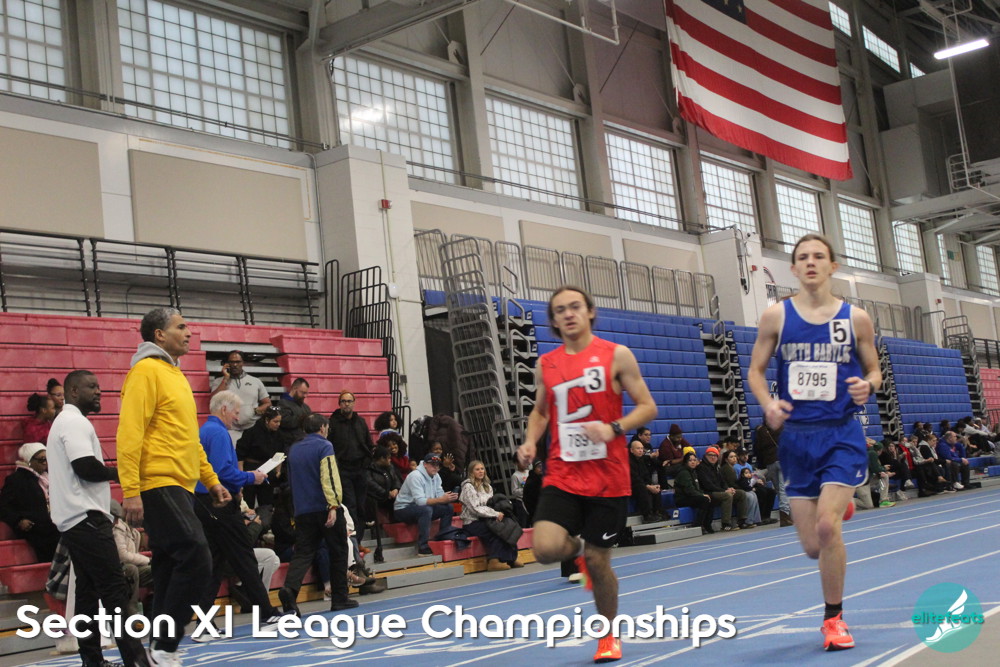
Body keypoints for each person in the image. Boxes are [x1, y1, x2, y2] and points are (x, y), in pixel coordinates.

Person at [748, 233, 882, 652]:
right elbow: (755, 371)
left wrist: (868, 386)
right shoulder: (777, 316)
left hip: (840, 433)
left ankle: (833, 619)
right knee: (812, 547)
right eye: (803, 257)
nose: (810, 262)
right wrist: (768, 403)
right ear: (793, 268)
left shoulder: (855, 318)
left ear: (832, 266)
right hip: (796, 440)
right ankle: (837, 505)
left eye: (818, 256)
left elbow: (875, 370)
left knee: (827, 527)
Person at [516, 285, 657, 663]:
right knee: (545, 548)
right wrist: (530, 442)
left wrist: (613, 428)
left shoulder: (616, 355)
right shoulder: (547, 364)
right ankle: (578, 549)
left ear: (590, 311)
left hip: (608, 478)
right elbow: (541, 411)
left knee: (599, 562)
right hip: (563, 473)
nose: (568, 313)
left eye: (575, 306)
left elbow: (647, 407)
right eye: (560, 309)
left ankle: (608, 635)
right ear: (553, 320)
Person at [116, 307, 232, 666]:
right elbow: (130, 433)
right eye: (181, 326)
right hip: (157, 481)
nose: (189, 332)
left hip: (181, 484)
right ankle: (165, 646)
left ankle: (156, 649)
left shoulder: (175, 374)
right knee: (196, 555)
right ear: (159, 335)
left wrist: (210, 480)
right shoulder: (145, 372)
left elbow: (188, 439)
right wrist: (131, 489)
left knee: (168, 565)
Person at [46, 370, 150, 667]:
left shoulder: (65, 422)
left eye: (99, 386)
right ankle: (136, 661)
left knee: (88, 594)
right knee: (115, 589)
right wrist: (124, 473)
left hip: (75, 520)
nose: (99, 391)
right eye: (91, 387)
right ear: (73, 392)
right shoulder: (74, 422)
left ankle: (92, 660)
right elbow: (86, 468)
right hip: (87, 518)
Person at [193, 390, 284, 637]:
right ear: (224, 409)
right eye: (235, 412)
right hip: (220, 504)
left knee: (215, 562)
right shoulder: (219, 433)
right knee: (244, 557)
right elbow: (222, 471)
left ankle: (203, 622)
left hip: (204, 502)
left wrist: (237, 484)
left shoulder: (205, 430)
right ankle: (266, 613)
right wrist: (251, 477)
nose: (237, 417)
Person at [278, 413, 358, 616]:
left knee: (303, 553)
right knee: (338, 551)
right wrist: (333, 506)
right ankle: (339, 598)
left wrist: (297, 509)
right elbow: (329, 476)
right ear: (322, 428)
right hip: (324, 508)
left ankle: (290, 589)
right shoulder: (324, 446)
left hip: (302, 510)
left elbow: (292, 482)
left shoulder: (294, 449)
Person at [0, 442, 59, 562]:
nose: (45, 463)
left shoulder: (48, 477)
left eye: (47, 459)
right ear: (29, 461)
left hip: (53, 524)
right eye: (41, 460)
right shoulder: (16, 480)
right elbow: (3, 506)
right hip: (36, 528)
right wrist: (18, 520)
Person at [459, 460, 522, 571]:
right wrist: (495, 514)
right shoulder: (468, 487)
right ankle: (494, 560)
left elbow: (492, 505)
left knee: (509, 527)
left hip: (487, 518)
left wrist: (499, 513)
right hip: (472, 522)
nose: (480, 471)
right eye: (477, 469)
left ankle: (511, 558)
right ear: (471, 472)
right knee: (496, 530)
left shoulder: (487, 486)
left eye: (482, 469)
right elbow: (475, 508)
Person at [329, 390, 374, 541]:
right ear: (339, 404)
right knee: (350, 504)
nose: (346, 404)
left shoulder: (360, 422)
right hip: (343, 469)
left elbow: (368, 443)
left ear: (354, 403)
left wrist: (367, 461)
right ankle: (353, 539)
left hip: (360, 468)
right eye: (343, 401)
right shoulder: (332, 423)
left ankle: (358, 539)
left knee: (361, 505)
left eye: (349, 401)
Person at [393, 453, 457, 555]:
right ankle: (423, 546)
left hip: (421, 507)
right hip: (402, 509)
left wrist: (449, 498)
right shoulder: (415, 476)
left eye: (437, 465)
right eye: (432, 464)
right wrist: (441, 499)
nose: (435, 467)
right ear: (425, 464)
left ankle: (444, 537)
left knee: (448, 508)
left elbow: (439, 495)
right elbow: (420, 501)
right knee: (426, 510)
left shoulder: (436, 476)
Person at [210, 350, 271, 443]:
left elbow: (267, 403)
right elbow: (213, 400)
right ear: (227, 364)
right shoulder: (219, 381)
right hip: (229, 430)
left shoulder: (255, 381)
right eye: (231, 362)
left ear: (243, 363)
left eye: (238, 362)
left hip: (252, 428)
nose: (235, 365)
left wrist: (254, 411)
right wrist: (225, 378)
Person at [236, 405, 284, 524]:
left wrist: (278, 471)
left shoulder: (279, 435)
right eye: (275, 421)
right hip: (250, 469)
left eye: (279, 422)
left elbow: (280, 454)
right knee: (248, 501)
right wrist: (241, 474)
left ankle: (265, 525)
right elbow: (240, 455)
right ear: (267, 420)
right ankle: (248, 526)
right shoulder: (251, 432)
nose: (278, 424)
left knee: (266, 503)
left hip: (268, 469)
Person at [696, 446, 749, 531]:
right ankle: (726, 524)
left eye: (715, 455)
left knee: (741, 493)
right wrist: (724, 491)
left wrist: (729, 488)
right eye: (710, 455)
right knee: (727, 496)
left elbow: (723, 481)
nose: (713, 457)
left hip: (719, 491)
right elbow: (708, 485)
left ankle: (742, 521)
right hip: (709, 492)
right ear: (706, 456)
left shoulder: (717, 467)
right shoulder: (701, 467)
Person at [755, 423, 791, 526]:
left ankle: (786, 514)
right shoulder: (782, 426)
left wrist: (762, 464)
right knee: (784, 489)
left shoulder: (761, 430)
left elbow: (758, 449)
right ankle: (785, 515)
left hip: (770, 462)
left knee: (779, 490)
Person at [673, 452, 715, 534]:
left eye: (694, 460)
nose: (692, 462)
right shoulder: (684, 473)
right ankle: (697, 525)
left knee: (711, 498)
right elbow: (689, 490)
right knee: (704, 500)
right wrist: (702, 495)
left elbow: (697, 488)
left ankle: (707, 524)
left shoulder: (693, 472)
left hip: (690, 496)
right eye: (690, 460)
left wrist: (703, 494)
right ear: (686, 462)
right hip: (682, 498)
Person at [629, 439, 663, 522]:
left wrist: (651, 485)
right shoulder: (628, 462)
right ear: (631, 450)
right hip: (631, 486)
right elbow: (634, 479)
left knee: (656, 488)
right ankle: (647, 515)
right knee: (641, 488)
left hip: (642, 484)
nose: (641, 450)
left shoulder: (641, 460)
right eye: (638, 448)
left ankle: (657, 512)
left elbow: (646, 475)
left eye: (642, 448)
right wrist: (647, 486)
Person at [277, 378, 311, 448]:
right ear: (295, 388)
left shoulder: (306, 407)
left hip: (304, 442)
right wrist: (303, 419)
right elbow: (285, 422)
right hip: (289, 444)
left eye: (306, 393)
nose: (305, 396)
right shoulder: (283, 403)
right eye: (303, 392)